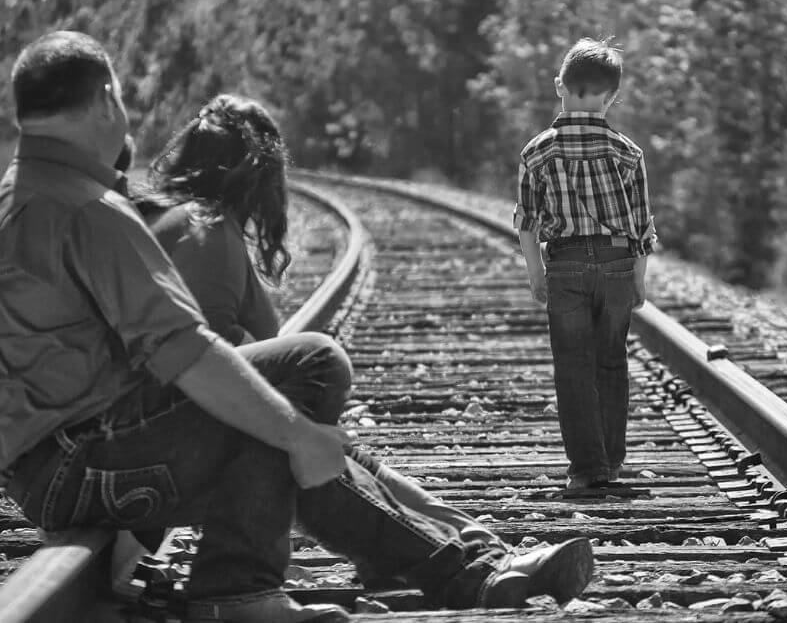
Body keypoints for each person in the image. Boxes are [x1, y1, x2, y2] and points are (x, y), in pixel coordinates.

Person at [0, 32, 593, 623]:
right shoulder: (88, 210)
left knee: (290, 427)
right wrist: (296, 432)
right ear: (107, 97)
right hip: (90, 463)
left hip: (45, 469)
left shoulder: (18, 199)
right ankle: (240, 589)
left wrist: (295, 434)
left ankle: (472, 570)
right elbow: (185, 351)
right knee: (307, 372)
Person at [137, 93, 588, 596]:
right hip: (192, 438)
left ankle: (483, 554)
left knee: (343, 452)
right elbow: (212, 365)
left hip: (185, 430)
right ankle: (472, 567)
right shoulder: (205, 232)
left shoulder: (182, 226)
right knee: (319, 411)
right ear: (259, 174)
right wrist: (298, 428)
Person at [514, 37, 657, 492]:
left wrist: (537, 274)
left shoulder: (537, 151)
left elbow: (527, 222)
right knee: (611, 362)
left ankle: (587, 469)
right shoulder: (627, 152)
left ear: (561, 86)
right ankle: (611, 460)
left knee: (573, 365)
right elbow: (641, 226)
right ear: (610, 96)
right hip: (616, 263)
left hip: (566, 265)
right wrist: (637, 279)